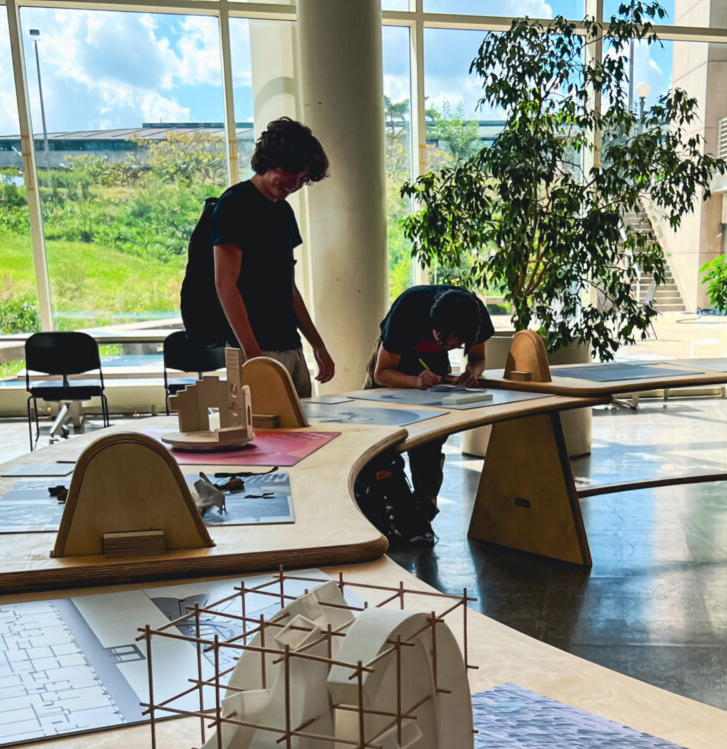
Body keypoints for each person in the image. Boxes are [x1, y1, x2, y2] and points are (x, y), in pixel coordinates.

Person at [180, 118, 334, 397]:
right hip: (249, 347)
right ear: (273, 162)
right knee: (263, 434)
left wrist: (317, 344)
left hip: (289, 343)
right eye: (293, 175)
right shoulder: (234, 204)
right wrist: (253, 357)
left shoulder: (283, 212)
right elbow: (225, 285)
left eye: (303, 179)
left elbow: (287, 287)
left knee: (304, 433)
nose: (296, 185)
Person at [358, 285, 495, 547]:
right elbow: (382, 373)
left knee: (430, 442)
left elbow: (478, 358)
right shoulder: (407, 311)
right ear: (435, 326)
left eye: (456, 345)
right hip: (395, 365)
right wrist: (414, 381)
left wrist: (473, 372)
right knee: (379, 440)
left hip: (432, 368)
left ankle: (420, 515)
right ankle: (387, 507)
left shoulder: (474, 316)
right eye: (444, 342)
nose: (450, 347)